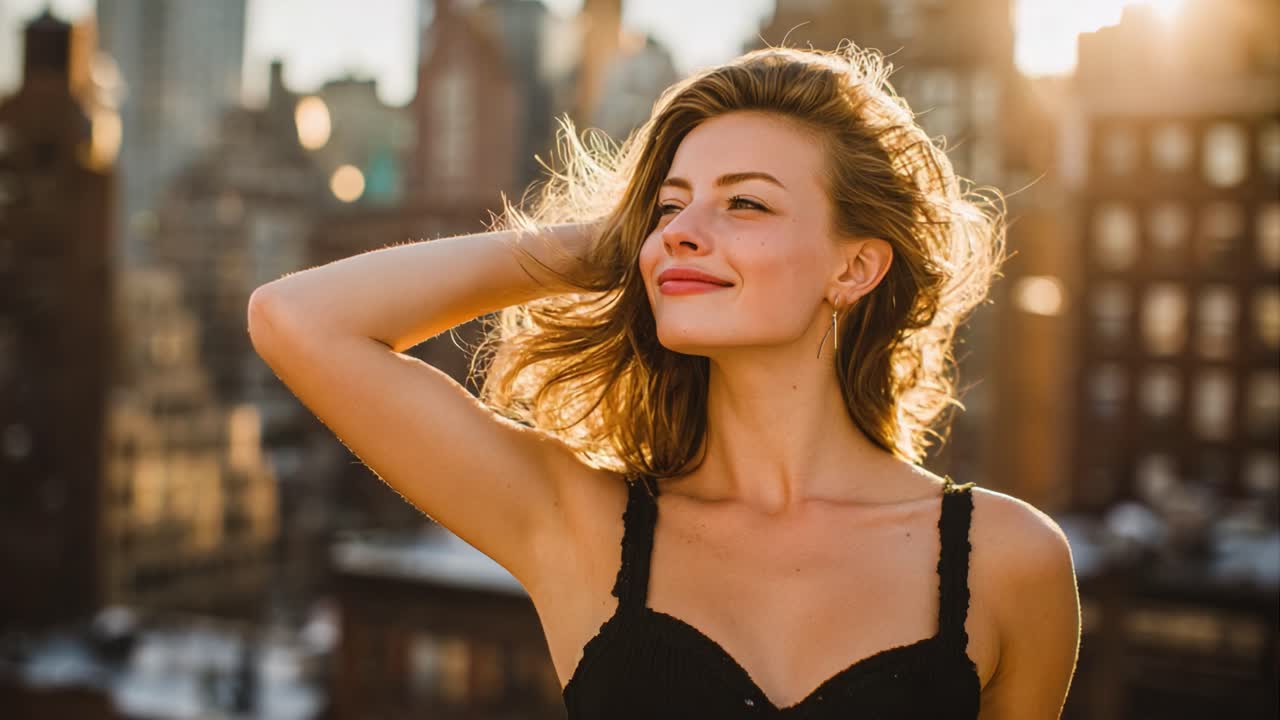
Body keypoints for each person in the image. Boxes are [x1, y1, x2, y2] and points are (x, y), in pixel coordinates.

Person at [248, 43, 1080, 718]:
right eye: (669, 206)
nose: (683, 231)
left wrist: (673, 235)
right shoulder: (583, 526)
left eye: (745, 204)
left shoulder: (1007, 563)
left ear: (855, 266)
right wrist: (609, 246)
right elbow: (296, 320)